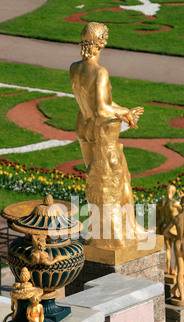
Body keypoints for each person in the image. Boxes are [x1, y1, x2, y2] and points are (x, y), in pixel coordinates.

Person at [70, 22, 144, 248]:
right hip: (101, 133)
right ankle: (129, 228)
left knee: (95, 181)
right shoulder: (100, 72)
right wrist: (126, 113)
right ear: (101, 42)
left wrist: (122, 111)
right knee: (120, 179)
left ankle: (100, 229)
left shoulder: (74, 67)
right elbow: (103, 108)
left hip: (83, 126)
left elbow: (98, 104)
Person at [156, 185, 183, 274]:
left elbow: (158, 218)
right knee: (177, 249)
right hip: (174, 228)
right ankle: (175, 271)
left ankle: (168, 268)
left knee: (167, 249)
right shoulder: (175, 203)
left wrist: (158, 230)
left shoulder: (159, 203)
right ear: (173, 192)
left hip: (164, 227)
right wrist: (182, 198)